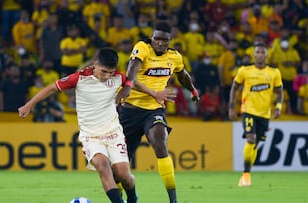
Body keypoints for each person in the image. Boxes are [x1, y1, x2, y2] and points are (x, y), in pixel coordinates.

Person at [18, 47, 138, 203]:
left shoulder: (117, 77)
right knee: (102, 166)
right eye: (103, 72)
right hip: (91, 136)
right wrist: (29, 105)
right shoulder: (79, 78)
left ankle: (132, 197)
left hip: (114, 133)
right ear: (95, 64)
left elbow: (131, 80)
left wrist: (130, 87)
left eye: (110, 72)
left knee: (123, 175)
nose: (107, 76)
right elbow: (51, 88)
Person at [116, 21, 200, 203]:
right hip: (129, 111)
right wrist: (128, 85)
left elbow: (182, 75)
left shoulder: (175, 57)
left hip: (153, 110)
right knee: (121, 163)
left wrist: (192, 90)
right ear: (152, 38)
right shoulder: (142, 48)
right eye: (157, 39)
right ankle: (124, 198)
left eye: (165, 40)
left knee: (160, 144)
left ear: (170, 40)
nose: (160, 43)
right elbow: (132, 68)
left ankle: (173, 200)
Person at [228, 42, 284, 187]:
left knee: (255, 144)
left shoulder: (274, 72)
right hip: (248, 111)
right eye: (257, 52)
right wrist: (231, 107)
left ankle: (247, 172)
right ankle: (246, 174)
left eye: (263, 52)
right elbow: (234, 88)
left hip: (265, 114)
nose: (260, 55)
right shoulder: (245, 71)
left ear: (267, 55)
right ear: (254, 55)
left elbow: (279, 92)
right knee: (251, 139)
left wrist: (278, 107)